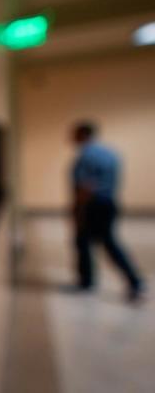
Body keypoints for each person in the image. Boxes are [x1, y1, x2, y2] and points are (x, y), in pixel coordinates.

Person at [70, 120, 145, 303]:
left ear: (83, 135)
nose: (71, 138)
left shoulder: (86, 155)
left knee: (93, 242)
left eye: (75, 134)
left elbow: (85, 186)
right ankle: (90, 281)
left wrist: (78, 211)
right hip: (109, 203)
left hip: (92, 205)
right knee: (98, 242)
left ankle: (130, 281)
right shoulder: (111, 154)